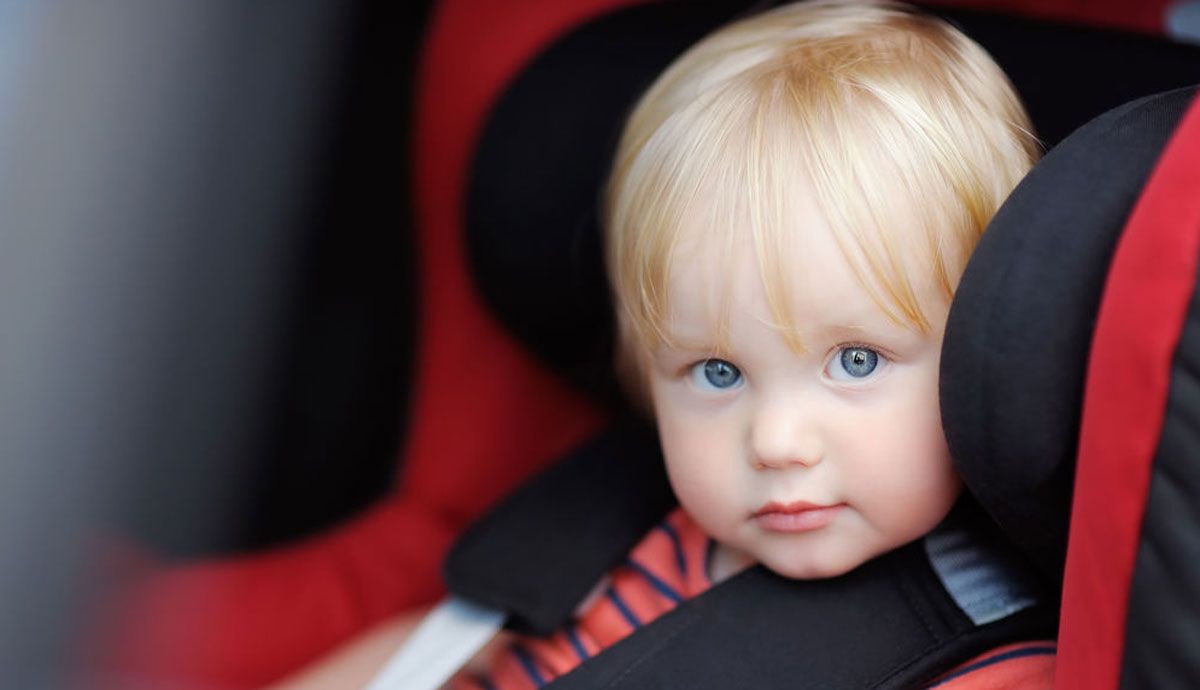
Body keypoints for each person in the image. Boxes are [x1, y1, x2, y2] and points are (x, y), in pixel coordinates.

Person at [270, 1, 1052, 687]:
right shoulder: (621, 539)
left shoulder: (992, 664)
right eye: (717, 372)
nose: (776, 442)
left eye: (856, 360)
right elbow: (444, 651)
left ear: (983, 357)